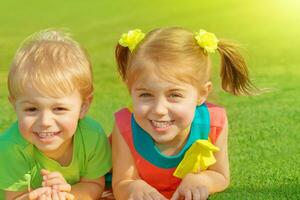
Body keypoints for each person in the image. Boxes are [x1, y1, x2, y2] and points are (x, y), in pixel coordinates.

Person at [112, 27, 257, 200]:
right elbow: (121, 182)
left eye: (174, 95)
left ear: (202, 94)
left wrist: (202, 180)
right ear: (131, 90)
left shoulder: (213, 123)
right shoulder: (125, 125)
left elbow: (221, 176)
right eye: (145, 95)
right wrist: (132, 186)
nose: (159, 109)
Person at [0, 30, 112, 200]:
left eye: (59, 109)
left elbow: (94, 185)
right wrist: (36, 197)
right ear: (15, 106)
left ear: (83, 106)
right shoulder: (11, 147)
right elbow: (14, 197)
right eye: (31, 109)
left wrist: (66, 195)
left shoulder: (92, 136)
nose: (45, 122)